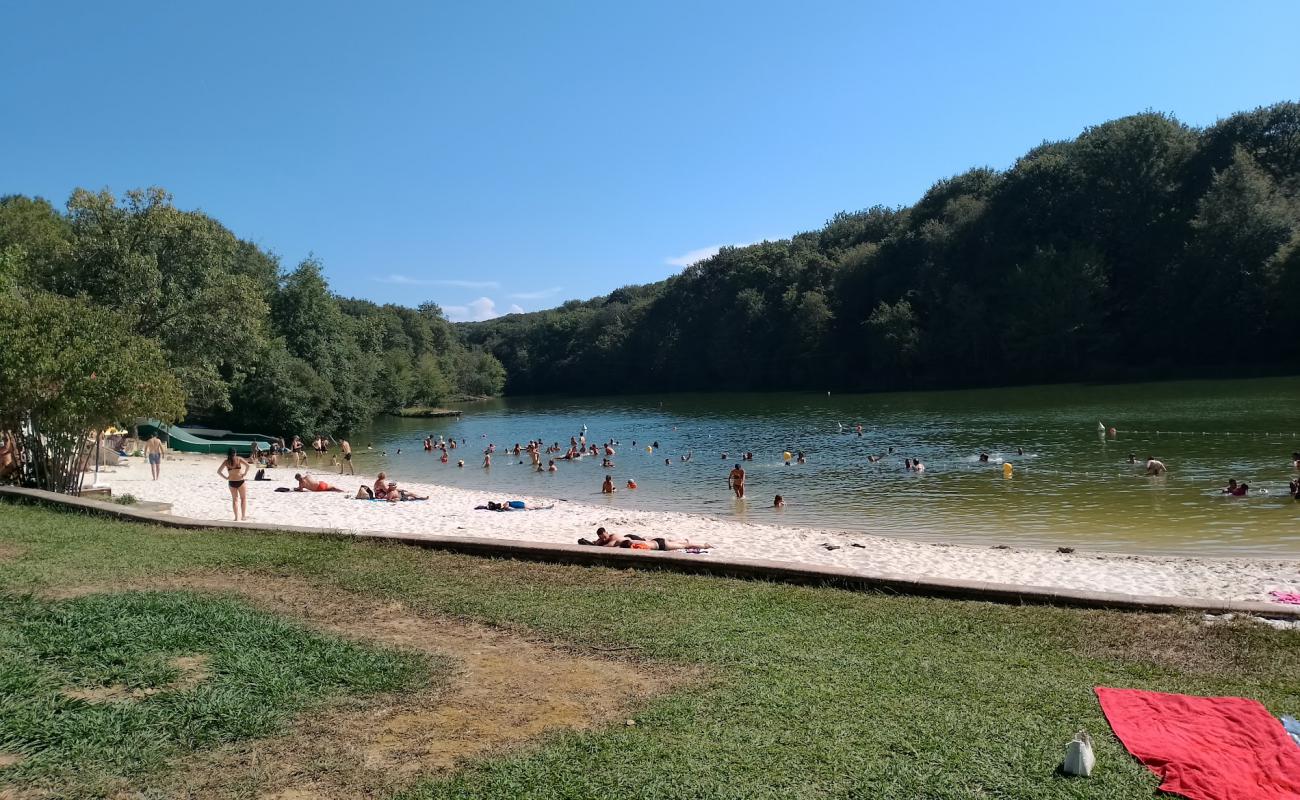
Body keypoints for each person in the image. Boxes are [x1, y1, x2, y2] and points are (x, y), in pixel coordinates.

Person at [218, 447, 252, 520]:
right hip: (240, 481)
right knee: (243, 499)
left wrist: (226, 477)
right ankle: (243, 516)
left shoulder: (226, 461)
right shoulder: (239, 459)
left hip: (231, 482)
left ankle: (236, 517)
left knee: (235, 499)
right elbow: (248, 465)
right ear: (235, 453)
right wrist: (245, 473)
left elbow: (219, 471)